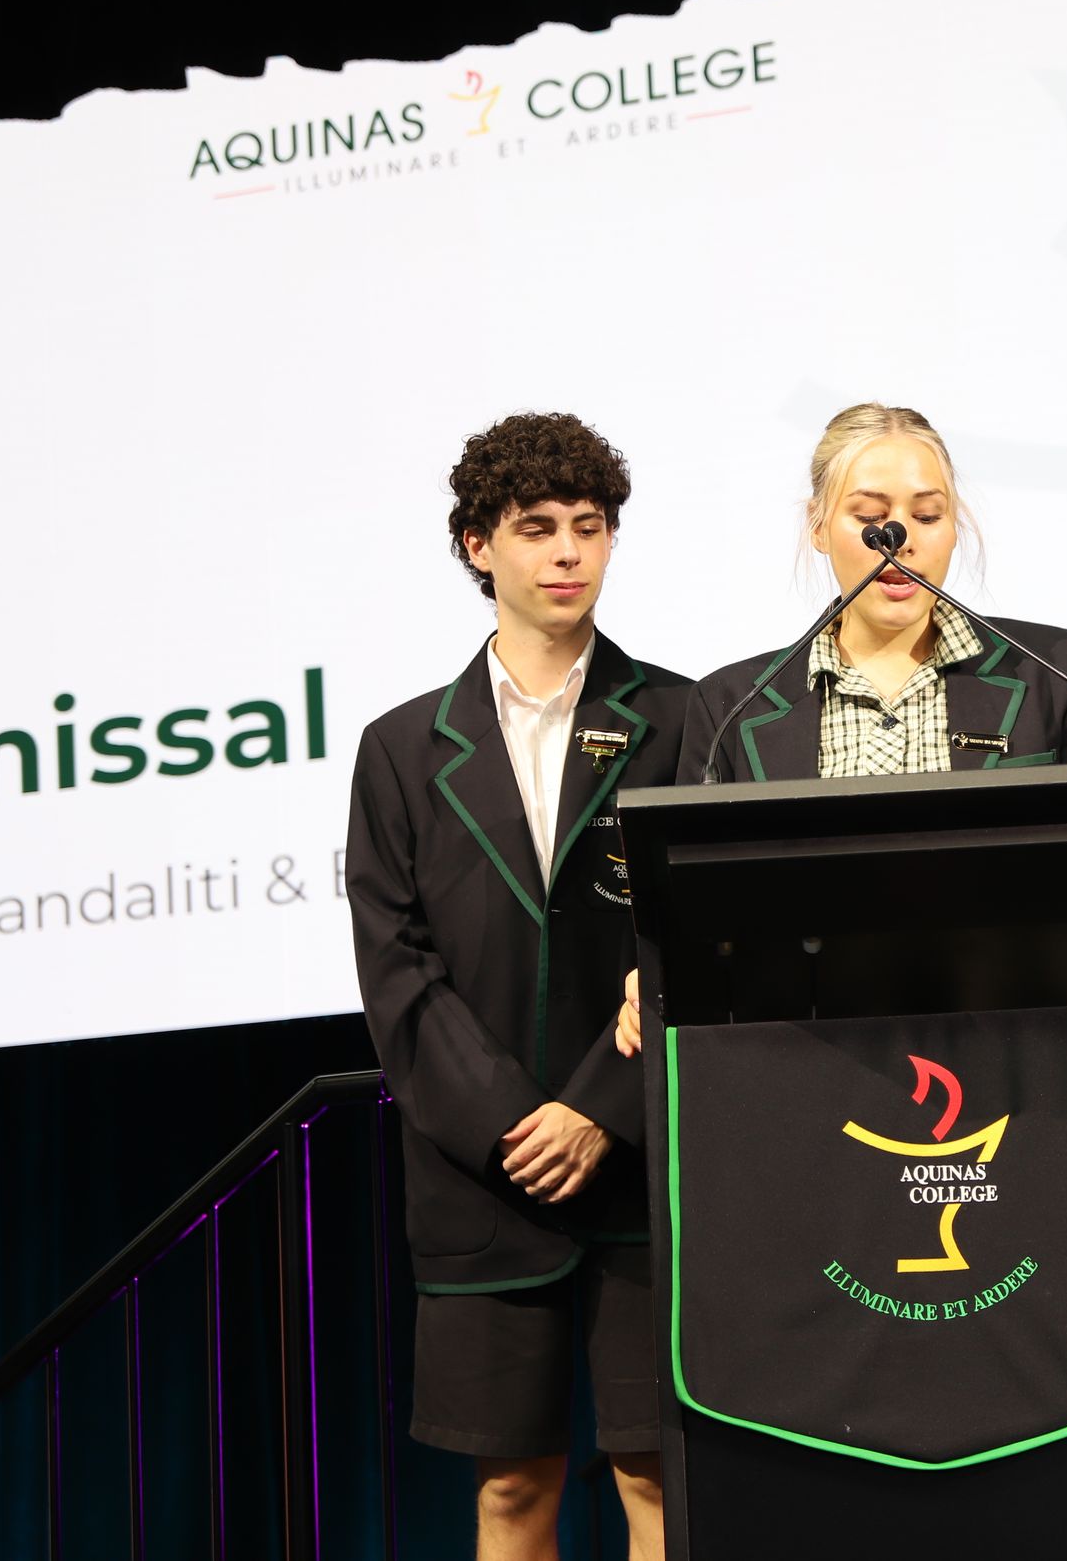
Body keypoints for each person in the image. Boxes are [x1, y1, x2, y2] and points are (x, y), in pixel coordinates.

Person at [614, 402, 1067, 1059]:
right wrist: (659, 974)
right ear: (819, 526)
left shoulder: (1057, 674)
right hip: (807, 1068)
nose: (899, 538)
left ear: (953, 528)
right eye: (869, 516)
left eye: (927, 515)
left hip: (1026, 1059)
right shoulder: (732, 707)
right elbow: (692, 917)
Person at [348, 413, 686, 1561]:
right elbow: (397, 969)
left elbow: (696, 939)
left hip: (644, 1157)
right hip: (483, 1178)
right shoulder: (402, 748)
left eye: (589, 525)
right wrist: (511, 1123)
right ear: (477, 543)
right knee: (509, 1487)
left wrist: (597, 1108)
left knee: (657, 1475)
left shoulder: (680, 718)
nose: (568, 551)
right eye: (537, 527)